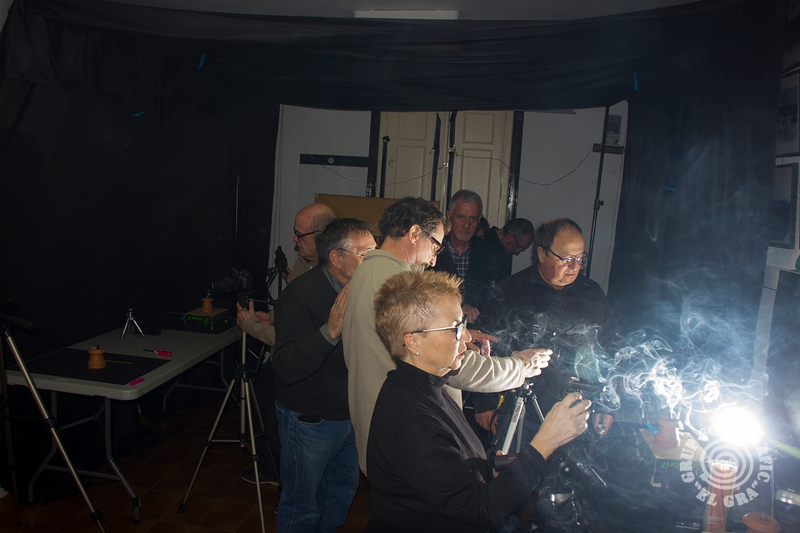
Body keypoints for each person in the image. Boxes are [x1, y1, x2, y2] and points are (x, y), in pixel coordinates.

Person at [366, 270, 591, 532]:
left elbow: (454, 472)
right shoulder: (411, 419)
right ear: (413, 342)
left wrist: (490, 471)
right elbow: (481, 510)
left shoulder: (428, 387)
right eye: (455, 328)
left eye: (463, 323)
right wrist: (545, 443)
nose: (466, 336)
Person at [343, 196, 551, 474]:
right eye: (435, 246)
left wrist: (456, 333)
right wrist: (520, 366)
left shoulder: (367, 271)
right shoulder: (402, 286)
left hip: (384, 432)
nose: (433, 260)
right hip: (410, 436)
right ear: (414, 233)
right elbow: (455, 367)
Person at [270, 218, 376, 532]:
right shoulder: (300, 295)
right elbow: (286, 366)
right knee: (301, 509)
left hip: (351, 416)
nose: (373, 260)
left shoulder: (366, 289)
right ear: (336, 258)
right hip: (310, 421)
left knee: (336, 503)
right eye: (365, 253)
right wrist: (329, 332)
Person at [473, 218, 618, 443]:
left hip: (576, 417)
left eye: (580, 258)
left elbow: (611, 350)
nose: (575, 266)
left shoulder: (593, 295)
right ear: (542, 253)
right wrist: (484, 403)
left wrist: (607, 404)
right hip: (520, 416)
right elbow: (482, 347)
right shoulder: (511, 291)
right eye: (567, 259)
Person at [234, 202, 338, 485]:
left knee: (274, 419)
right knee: (262, 408)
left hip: (303, 367)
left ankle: (282, 480)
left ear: (321, 235)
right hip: (286, 359)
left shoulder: (331, 278)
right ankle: (274, 470)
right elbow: (292, 316)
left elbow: (296, 338)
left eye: (299, 234)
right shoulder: (304, 264)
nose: (294, 239)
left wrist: (251, 325)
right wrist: (270, 317)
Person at [432, 190, 499, 322]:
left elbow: (493, 299)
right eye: (461, 217)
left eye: (473, 219)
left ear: (479, 221)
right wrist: (457, 308)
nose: (467, 225)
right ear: (449, 216)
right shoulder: (432, 249)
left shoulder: (488, 254)